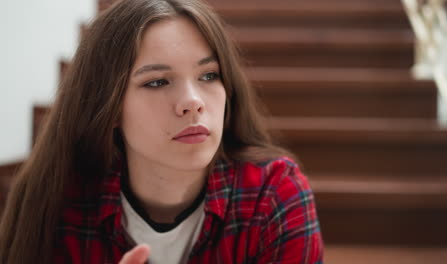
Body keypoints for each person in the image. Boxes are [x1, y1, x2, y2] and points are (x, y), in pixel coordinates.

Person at [0, 0, 324, 263]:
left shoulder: (272, 193)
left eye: (209, 75)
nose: (193, 102)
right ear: (109, 108)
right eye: (157, 82)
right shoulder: (60, 201)